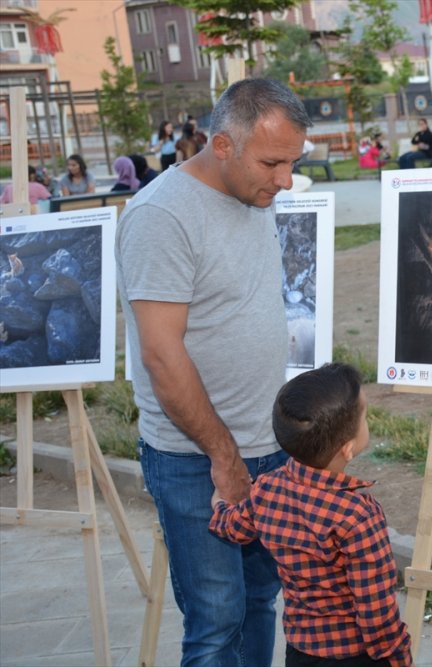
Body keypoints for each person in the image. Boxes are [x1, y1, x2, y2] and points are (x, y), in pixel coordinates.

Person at [116, 78, 312, 665]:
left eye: (293, 163)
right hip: (195, 459)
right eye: (273, 162)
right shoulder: (161, 216)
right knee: (216, 619)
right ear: (222, 145)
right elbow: (161, 354)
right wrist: (224, 459)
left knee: (259, 600)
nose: (285, 180)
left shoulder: (252, 194)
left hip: (266, 449)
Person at [210, 363, 412, 667]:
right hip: (354, 656)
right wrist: (398, 658)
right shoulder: (358, 516)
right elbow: (376, 610)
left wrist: (219, 505)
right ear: (347, 448)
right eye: (365, 417)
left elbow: (231, 527)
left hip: (301, 652)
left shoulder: (267, 490)